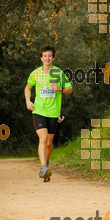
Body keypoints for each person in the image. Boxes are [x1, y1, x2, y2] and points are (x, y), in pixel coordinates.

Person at [24, 45, 72, 182]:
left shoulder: (58, 73)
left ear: (53, 58)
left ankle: (46, 162)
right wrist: (28, 101)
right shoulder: (35, 73)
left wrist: (60, 88)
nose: (47, 58)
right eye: (45, 55)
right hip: (39, 110)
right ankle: (44, 167)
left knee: (49, 144)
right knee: (43, 139)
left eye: (50, 55)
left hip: (53, 112)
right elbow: (27, 88)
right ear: (41, 58)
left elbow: (70, 89)